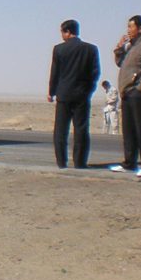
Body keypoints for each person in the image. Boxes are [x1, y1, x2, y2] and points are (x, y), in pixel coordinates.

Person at [47, 19, 100, 169]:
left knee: (60, 130)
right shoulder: (91, 49)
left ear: (67, 32)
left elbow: (55, 73)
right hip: (82, 95)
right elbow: (95, 73)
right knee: (81, 129)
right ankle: (80, 162)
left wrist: (51, 91)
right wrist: (88, 90)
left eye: (62, 32)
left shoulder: (59, 49)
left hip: (63, 95)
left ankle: (61, 162)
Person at [109, 15, 141, 178]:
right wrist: (119, 48)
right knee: (128, 129)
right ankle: (129, 162)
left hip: (137, 93)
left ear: (140, 28)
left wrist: (140, 88)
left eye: (131, 27)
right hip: (126, 93)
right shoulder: (130, 46)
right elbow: (120, 63)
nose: (128, 30)